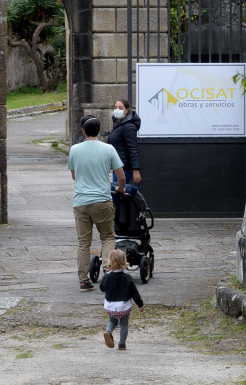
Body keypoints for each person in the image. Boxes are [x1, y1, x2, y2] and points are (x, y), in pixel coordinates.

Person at [67, 115, 126, 291]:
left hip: (81, 201)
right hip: (102, 200)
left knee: (83, 242)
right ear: (99, 131)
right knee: (107, 237)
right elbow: (121, 176)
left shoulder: (74, 150)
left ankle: (84, 280)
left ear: (83, 131)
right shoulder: (108, 149)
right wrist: (120, 190)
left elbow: (74, 176)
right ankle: (108, 272)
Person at [99, 249, 144, 350]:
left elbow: (102, 288)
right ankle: (122, 344)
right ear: (124, 261)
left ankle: (108, 332)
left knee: (112, 322)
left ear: (109, 262)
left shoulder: (107, 277)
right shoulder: (127, 277)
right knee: (124, 324)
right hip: (123, 307)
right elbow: (134, 293)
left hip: (110, 306)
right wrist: (140, 304)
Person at [108, 99, 142, 189]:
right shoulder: (118, 124)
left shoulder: (128, 126)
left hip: (124, 168)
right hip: (117, 166)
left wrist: (136, 170)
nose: (117, 110)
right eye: (115, 107)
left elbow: (133, 148)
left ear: (126, 110)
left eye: (120, 107)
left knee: (119, 194)